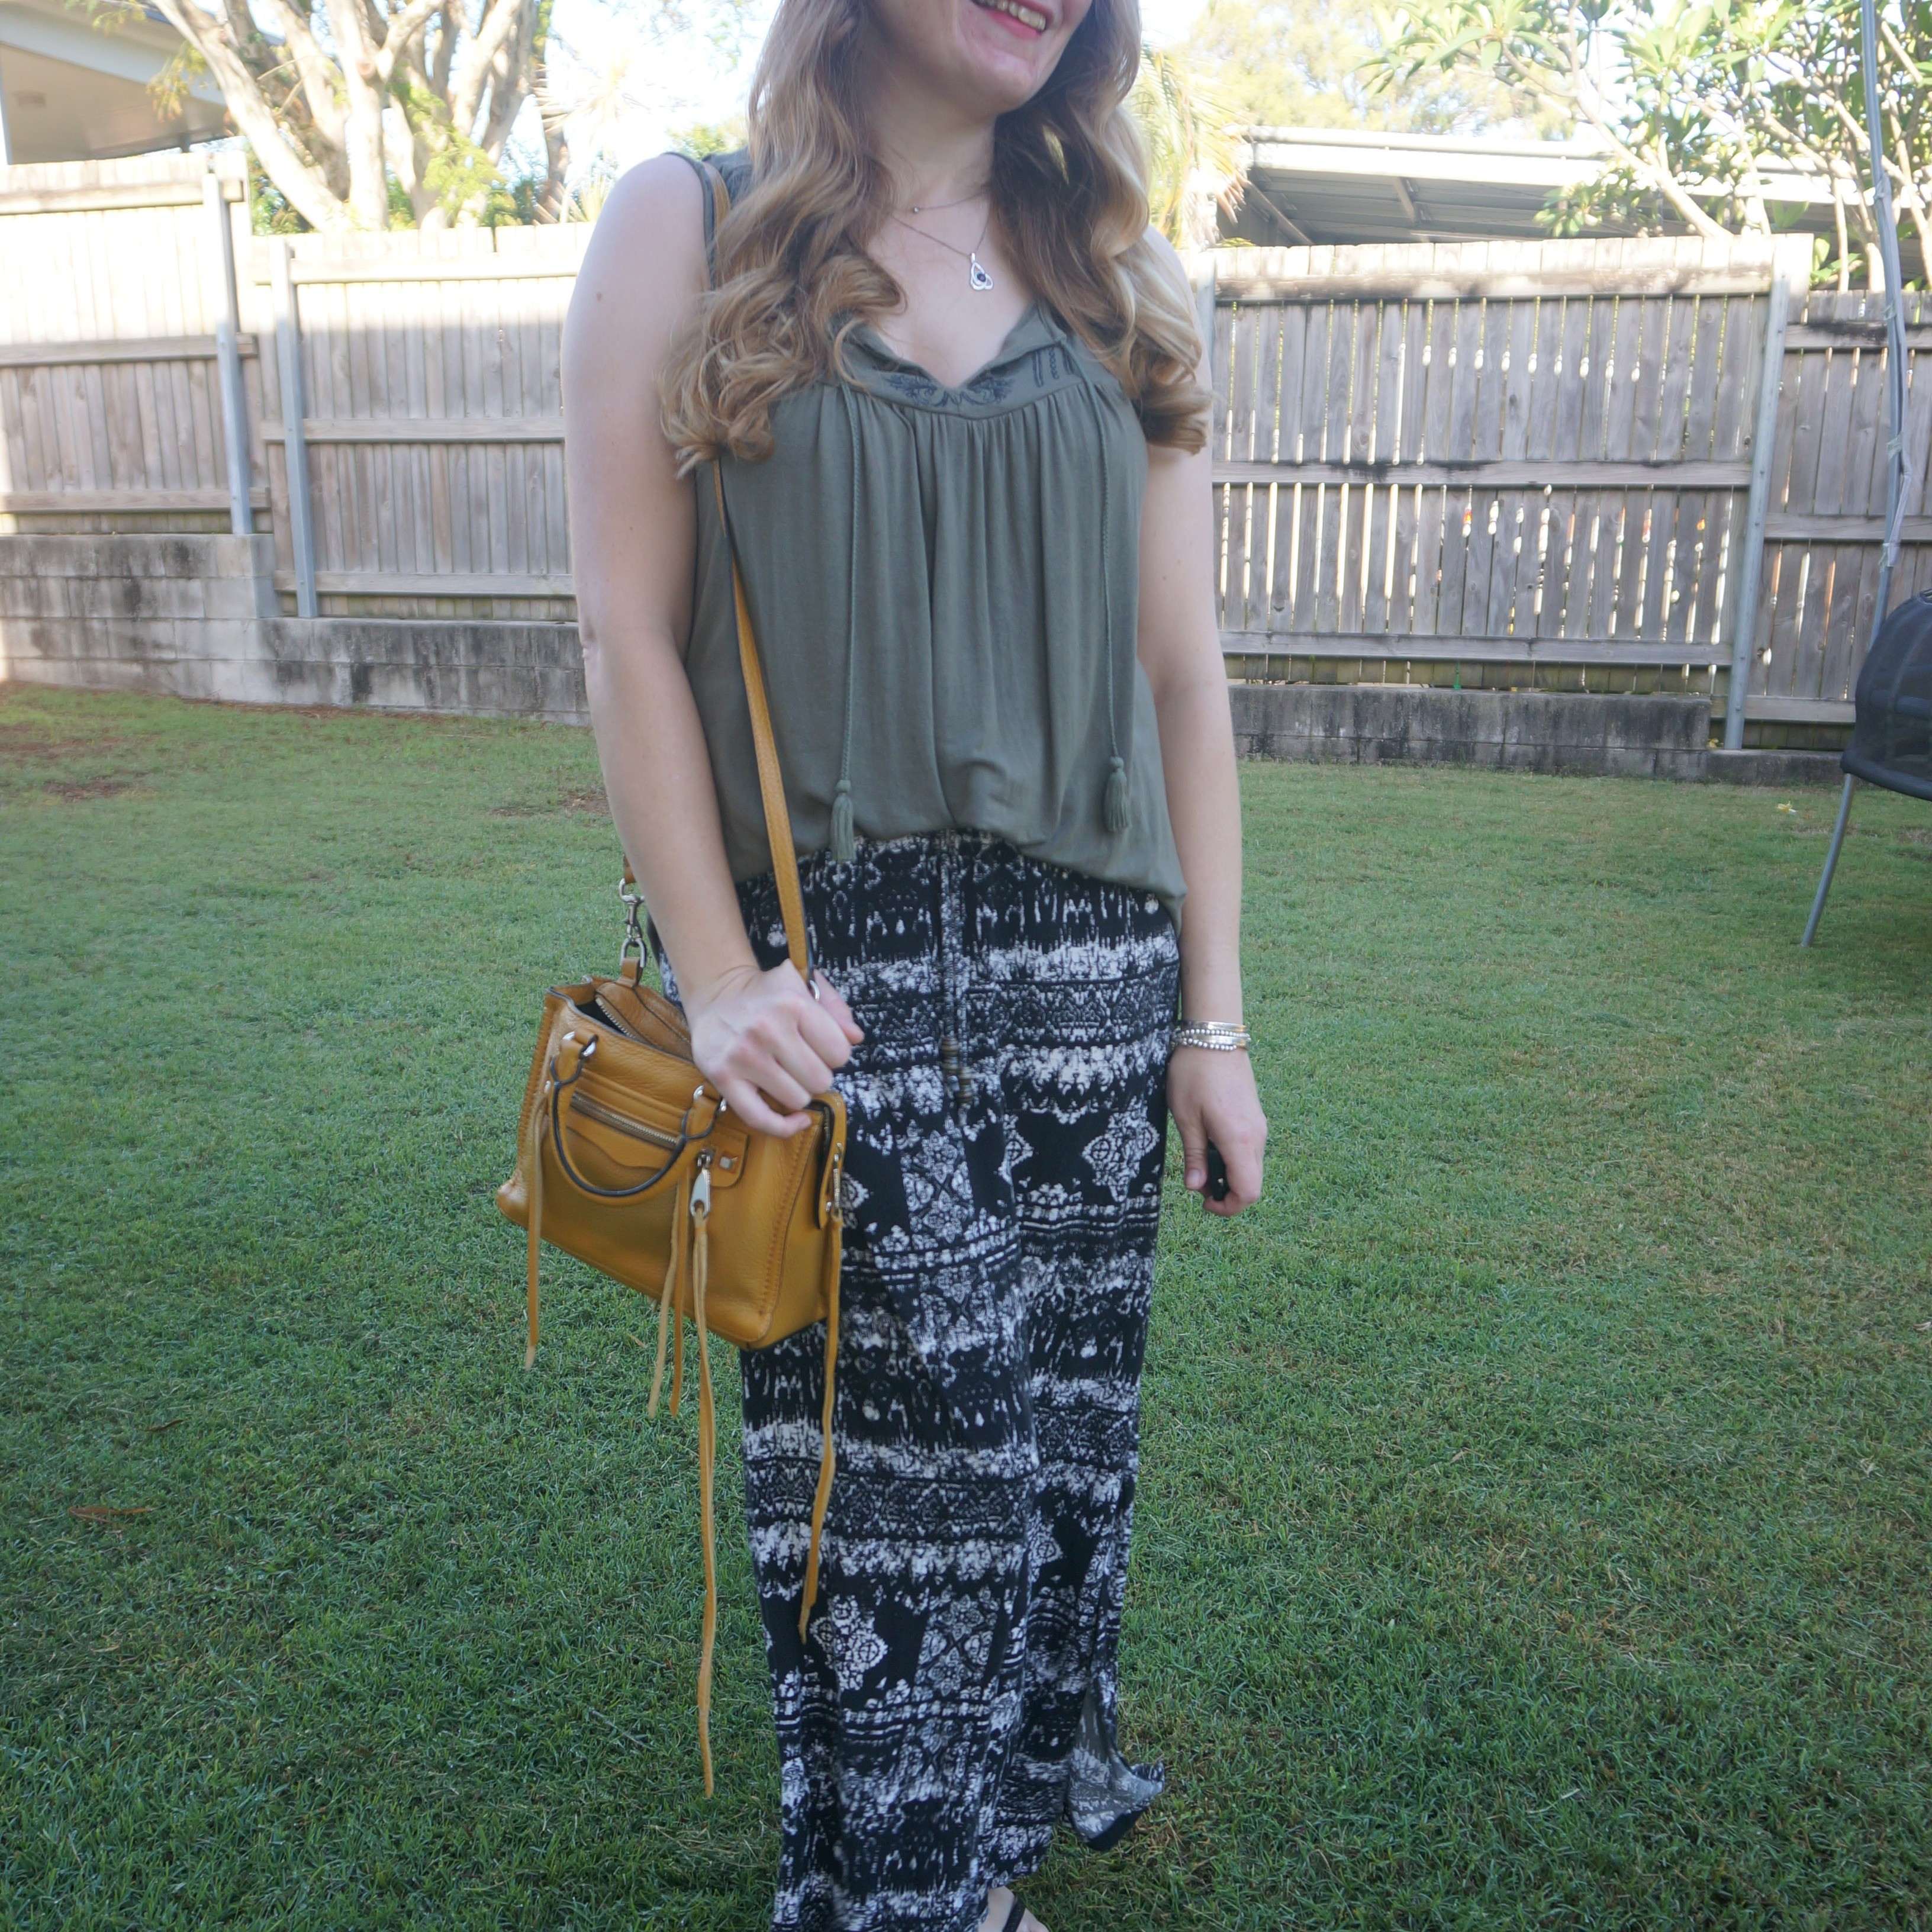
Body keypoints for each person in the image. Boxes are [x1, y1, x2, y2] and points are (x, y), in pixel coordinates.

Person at [560, 0, 1266, 1922]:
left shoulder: (1121, 277)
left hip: (1088, 996)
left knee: (1040, 1489)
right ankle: (917, 1901)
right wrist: (715, 982)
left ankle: (932, 1874)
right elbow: (627, 636)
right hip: (828, 992)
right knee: (887, 1516)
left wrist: (1213, 1021)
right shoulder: (688, 227)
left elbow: (1182, 677)